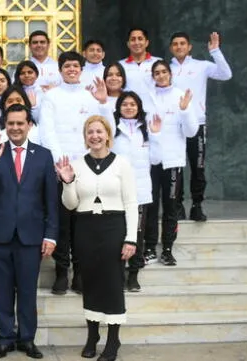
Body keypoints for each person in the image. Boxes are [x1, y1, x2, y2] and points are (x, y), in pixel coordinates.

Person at [0, 104, 58, 359]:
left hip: (31, 235)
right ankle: (4, 338)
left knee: (27, 291)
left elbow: (51, 199)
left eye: (20, 123)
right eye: (10, 123)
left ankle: (27, 339)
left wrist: (51, 234)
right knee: (1, 290)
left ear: (29, 125)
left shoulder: (44, 155)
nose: (15, 128)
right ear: (5, 125)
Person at [56, 115, 138, 361]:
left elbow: (132, 203)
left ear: (107, 135)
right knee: (89, 282)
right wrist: (67, 182)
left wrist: (131, 238)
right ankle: (93, 336)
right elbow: (70, 204)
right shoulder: (77, 165)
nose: (95, 136)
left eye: (99, 131)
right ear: (85, 137)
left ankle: (113, 340)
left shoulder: (122, 164)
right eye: (90, 132)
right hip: (86, 228)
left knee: (112, 283)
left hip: (114, 227)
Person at [39, 51, 114, 295]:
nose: (72, 69)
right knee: (62, 223)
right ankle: (62, 272)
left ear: (81, 70)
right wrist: (60, 163)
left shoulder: (90, 97)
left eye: (75, 66)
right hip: (59, 169)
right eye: (67, 66)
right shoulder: (50, 96)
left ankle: (80, 273)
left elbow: (103, 131)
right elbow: (47, 131)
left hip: (87, 169)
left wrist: (103, 103)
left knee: (84, 224)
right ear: (60, 70)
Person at [169, 31, 233, 221]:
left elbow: (226, 74)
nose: (179, 47)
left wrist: (215, 51)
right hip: (173, 127)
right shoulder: (165, 69)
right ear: (171, 48)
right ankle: (177, 205)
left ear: (189, 47)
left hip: (196, 124)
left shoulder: (201, 66)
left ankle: (197, 205)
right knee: (176, 167)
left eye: (182, 43)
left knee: (198, 167)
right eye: (175, 44)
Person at [143, 60, 198, 266]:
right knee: (150, 205)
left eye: (164, 71)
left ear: (170, 74)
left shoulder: (181, 96)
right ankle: (149, 247)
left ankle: (167, 248)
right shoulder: (147, 98)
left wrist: (184, 110)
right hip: (150, 160)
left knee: (170, 206)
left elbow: (191, 132)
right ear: (153, 76)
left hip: (173, 161)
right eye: (156, 72)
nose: (160, 75)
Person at [112, 91, 161, 292]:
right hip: (116, 191)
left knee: (137, 234)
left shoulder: (147, 130)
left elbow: (156, 160)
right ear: (119, 108)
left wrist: (156, 135)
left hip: (140, 191)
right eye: (125, 104)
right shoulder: (113, 129)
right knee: (117, 233)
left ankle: (133, 274)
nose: (129, 107)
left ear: (139, 107)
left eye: (133, 104)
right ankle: (118, 273)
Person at [119, 27, 162, 107]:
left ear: (146, 42)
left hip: (154, 110)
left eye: (140, 39)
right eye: (133, 39)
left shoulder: (158, 63)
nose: (136, 42)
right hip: (129, 112)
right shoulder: (120, 65)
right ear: (128, 44)